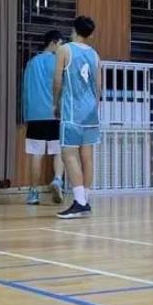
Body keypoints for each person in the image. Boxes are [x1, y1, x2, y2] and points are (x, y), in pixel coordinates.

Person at [54, 17, 101, 219]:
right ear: (91, 34)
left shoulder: (64, 49)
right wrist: (94, 107)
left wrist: (55, 103)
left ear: (73, 29)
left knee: (68, 154)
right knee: (87, 156)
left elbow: (57, 80)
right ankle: (85, 200)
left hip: (72, 111)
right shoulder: (95, 54)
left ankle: (80, 202)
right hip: (91, 112)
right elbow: (99, 86)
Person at [23, 30, 66, 205]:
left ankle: (33, 193)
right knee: (59, 150)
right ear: (54, 42)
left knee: (36, 154)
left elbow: (25, 89)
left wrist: (26, 113)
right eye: (61, 44)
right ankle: (57, 179)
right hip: (56, 114)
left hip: (35, 114)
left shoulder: (32, 63)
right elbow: (62, 86)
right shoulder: (58, 62)